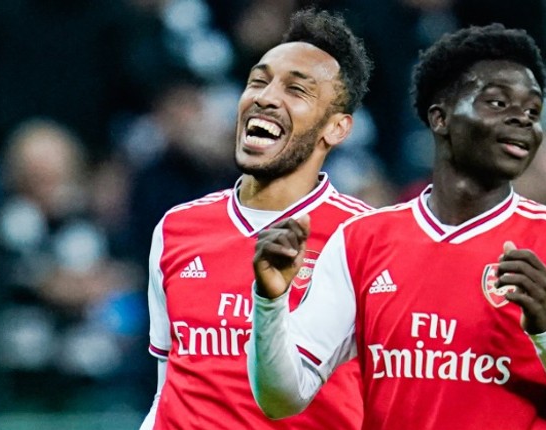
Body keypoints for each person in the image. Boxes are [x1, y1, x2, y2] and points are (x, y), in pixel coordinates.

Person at [249, 24, 546, 429]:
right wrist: (269, 304)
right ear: (441, 117)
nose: (522, 120)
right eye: (498, 103)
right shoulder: (363, 239)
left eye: (533, 112)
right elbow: (281, 399)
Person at [140, 9, 373, 429]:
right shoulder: (176, 228)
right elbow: (168, 389)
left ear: (337, 129)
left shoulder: (367, 239)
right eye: (258, 81)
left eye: (296, 90)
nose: (265, 97)